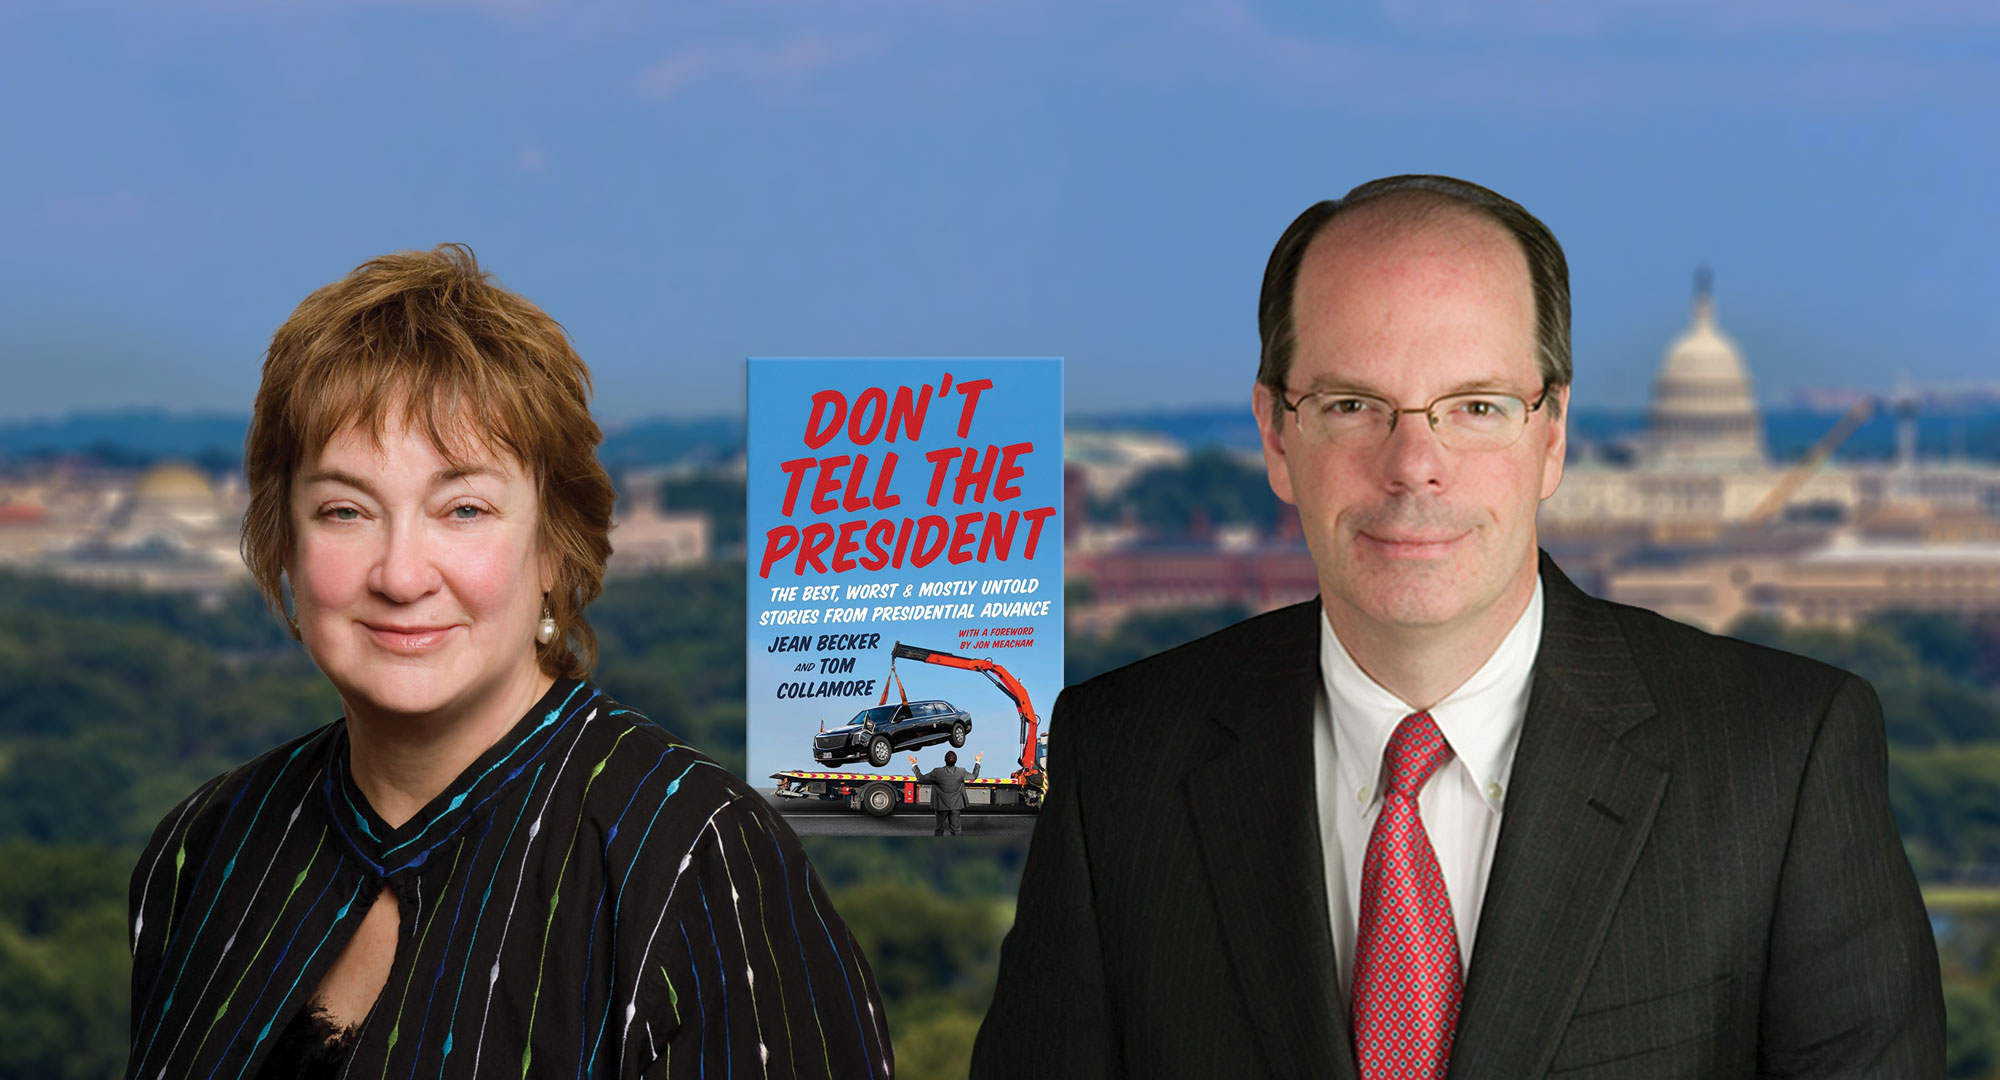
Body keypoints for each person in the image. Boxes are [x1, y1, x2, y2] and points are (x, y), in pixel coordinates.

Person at [972, 176, 1943, 1078]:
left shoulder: (1780, 755)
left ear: (1550, 433)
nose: (1412, 466)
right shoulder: (1120, 756)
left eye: (1474, 407)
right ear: (1275, 435)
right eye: (1353, 405)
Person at [126, 245, 892, 1079]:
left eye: (464, 508)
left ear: (554, 551)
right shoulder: (203, 848)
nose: (401, 574)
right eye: (345, 510)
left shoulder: (697, 859)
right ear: (285, 547)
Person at [908, 750, 983, 835]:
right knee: (956, 831)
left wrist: (914, 764)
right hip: (955, 806)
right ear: (956, 760)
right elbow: (974, 776)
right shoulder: (961, 772)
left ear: (944, 760)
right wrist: (978, 761)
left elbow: (921, 778)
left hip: (941, 806)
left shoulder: (937, 772)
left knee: (939, 829)